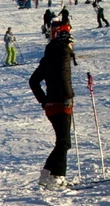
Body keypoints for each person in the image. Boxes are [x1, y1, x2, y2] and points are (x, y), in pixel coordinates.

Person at [29, 31, 75, 188]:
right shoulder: (63, 54)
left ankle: (47, 174)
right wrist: (67, 97)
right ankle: (57, 176)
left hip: (51, 104)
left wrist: (44, 101)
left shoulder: (48, 57)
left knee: (63, 141)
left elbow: (33, 81)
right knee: (64, 142)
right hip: (61, 103)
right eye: (71, 43)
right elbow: (63, 78)